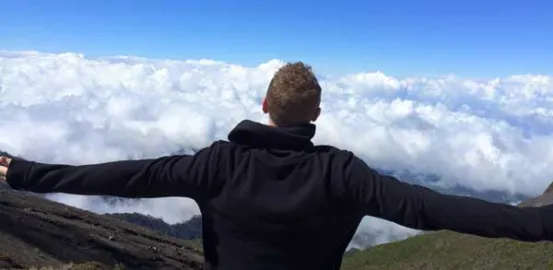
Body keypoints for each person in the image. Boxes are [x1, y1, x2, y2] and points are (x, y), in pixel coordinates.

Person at [0, 62, 552, 270]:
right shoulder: (343, 174)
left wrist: (24, 172)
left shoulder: (216, 165)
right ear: (315, 115)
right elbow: (436, 209)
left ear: (264, 106)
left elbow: (121, 175)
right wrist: (540, 225)